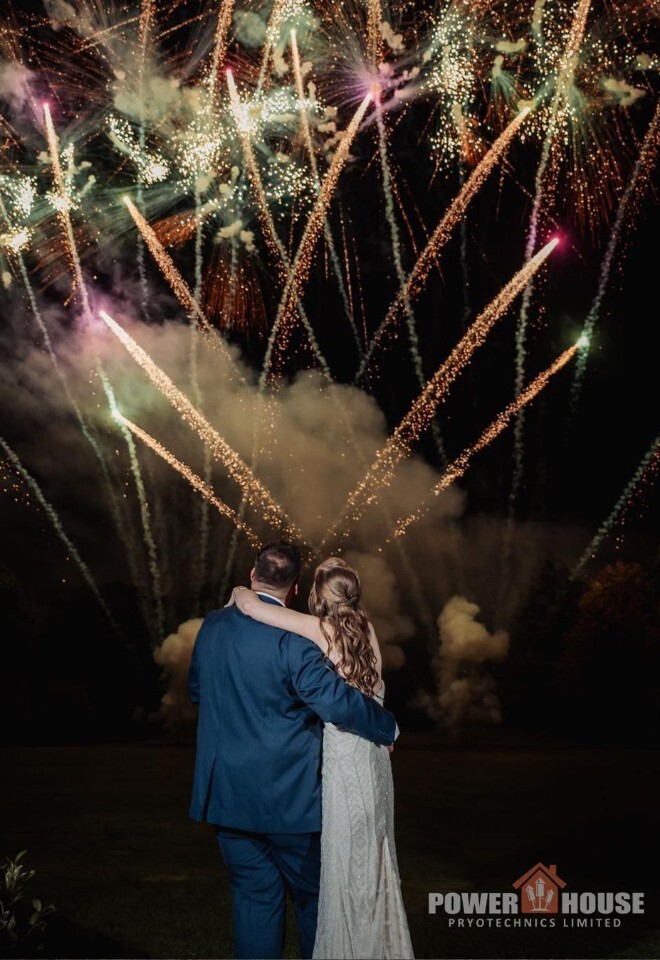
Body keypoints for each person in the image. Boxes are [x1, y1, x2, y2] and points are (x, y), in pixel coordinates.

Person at [187, 541, 398, 960]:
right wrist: (387, 726)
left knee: (253, 902)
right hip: (292, 801)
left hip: (228, 796)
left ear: (252, 574)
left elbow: (197, 690)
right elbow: (336, 702)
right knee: (314, 905)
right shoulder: (296, 638)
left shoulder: (211, 626)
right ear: (296, 588)